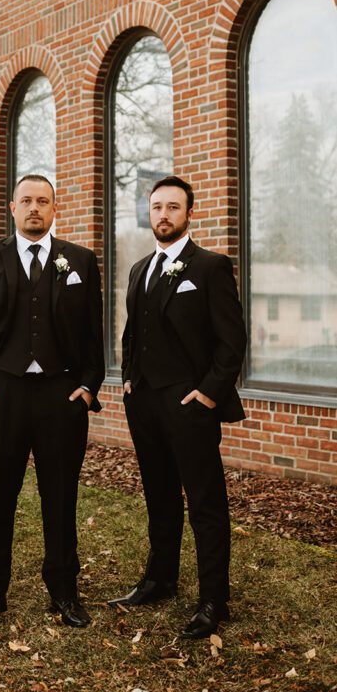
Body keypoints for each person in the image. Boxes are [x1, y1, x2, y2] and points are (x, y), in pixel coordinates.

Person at [0, 174, 105, 628]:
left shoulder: (80, 259)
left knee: (60, 498)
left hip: (61, 396)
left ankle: (64, 592)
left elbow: (93, 332)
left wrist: (88, 386)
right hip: (2, 394)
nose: (35, 208)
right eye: (26, 200)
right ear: (12, 207)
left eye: (43, 201)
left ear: (55, 208)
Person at [108, 175, 247, 639]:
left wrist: (207, 393)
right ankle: (160, 580)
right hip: (144, 403)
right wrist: (129, 378)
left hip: (190, 405)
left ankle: (213, 599)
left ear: (189, 213)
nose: (163, 215)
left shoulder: (209, 267)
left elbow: (232, 341)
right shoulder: (139, 268)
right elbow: (132, 331)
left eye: (173, 207)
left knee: (205, 503)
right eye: (157, 207)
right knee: (159, 496)